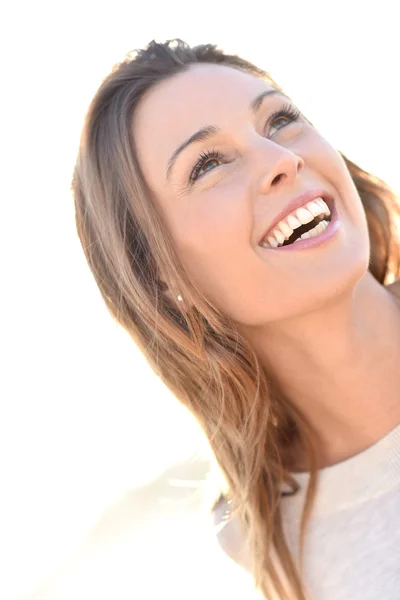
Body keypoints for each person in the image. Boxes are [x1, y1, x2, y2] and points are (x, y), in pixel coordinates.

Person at [71, 39, 400, 600]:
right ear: (162, 278)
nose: (281, 160)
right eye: (209, 163)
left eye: (281, 121)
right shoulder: (256, 540)